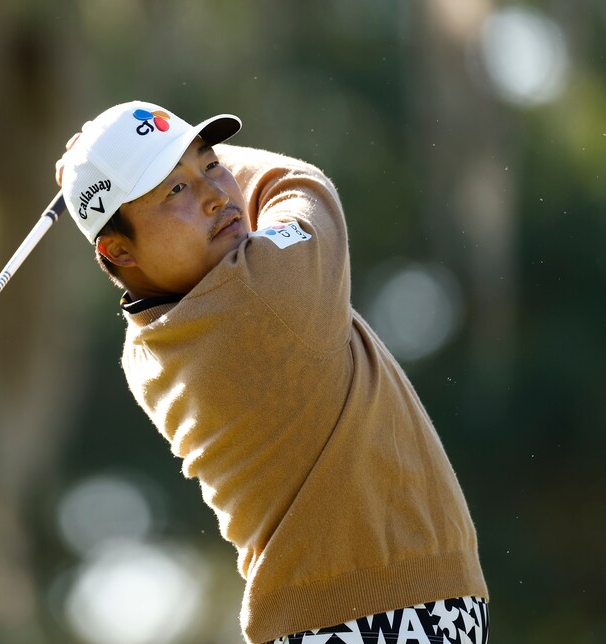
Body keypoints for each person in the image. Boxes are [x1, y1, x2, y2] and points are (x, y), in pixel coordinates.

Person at [55, 100, 489, 644]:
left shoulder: (144, 350)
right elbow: (301, 185)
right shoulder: (266, 291)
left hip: (337, 618)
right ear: (118, 250)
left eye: (210, 165)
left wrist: (113, 164)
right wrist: (119, 157)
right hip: (383, 613)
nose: (216, 194)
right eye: (174, 190)